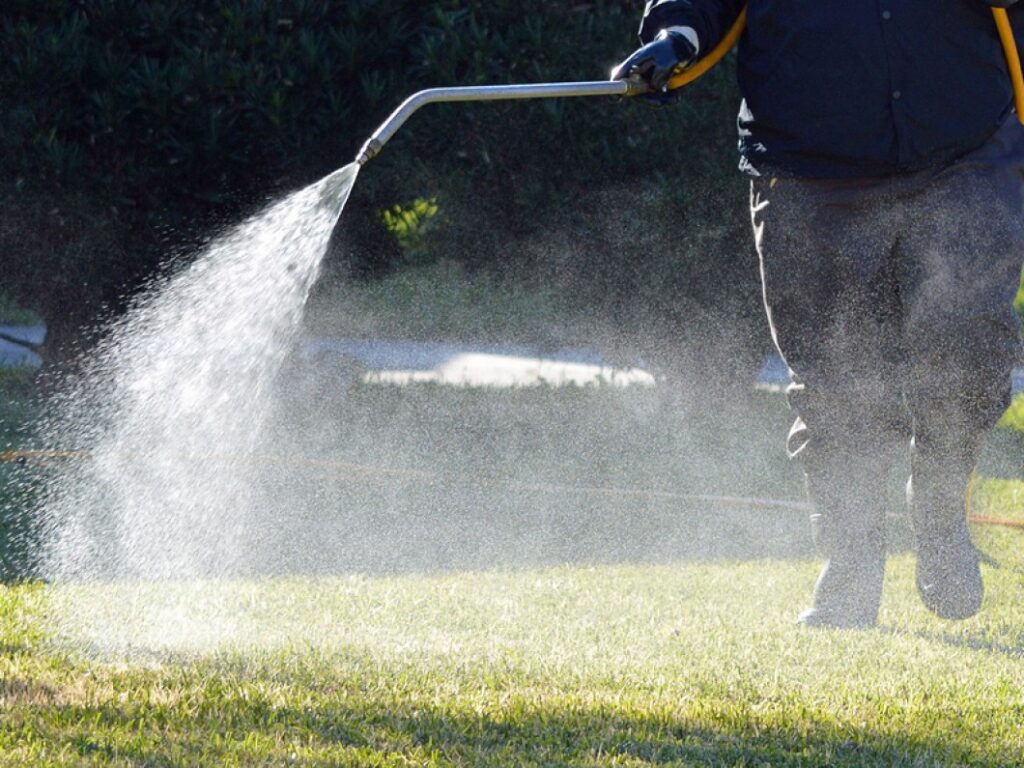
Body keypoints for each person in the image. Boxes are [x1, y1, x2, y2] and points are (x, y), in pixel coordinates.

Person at [613, 1, 1024, 628]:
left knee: (969, 350)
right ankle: (851, 567)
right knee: (836, 382)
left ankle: (941, 510)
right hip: (810, 172)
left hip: (963, 149)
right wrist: (677, 34)